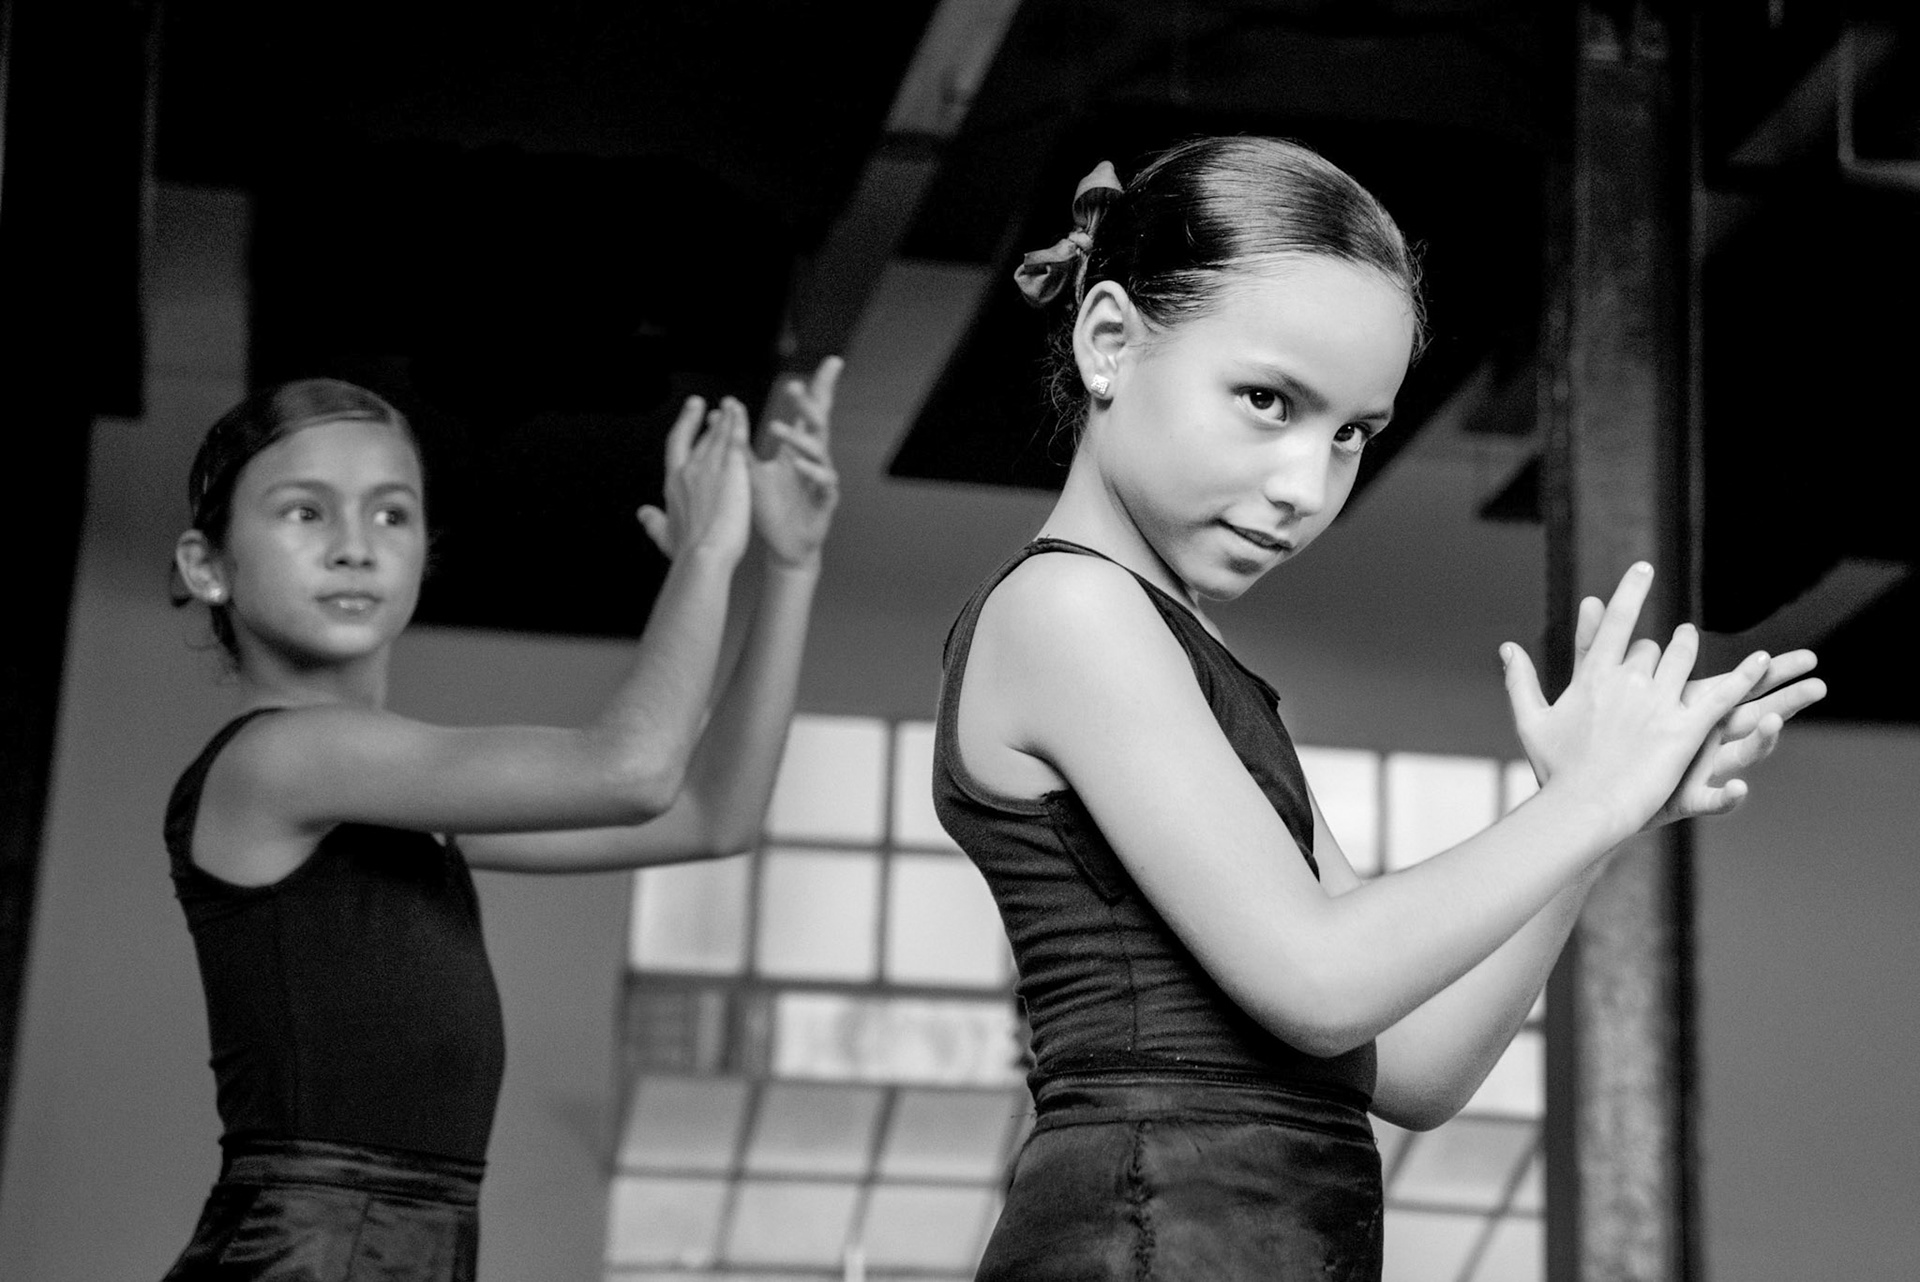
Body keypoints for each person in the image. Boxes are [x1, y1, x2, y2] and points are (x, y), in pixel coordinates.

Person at [931, 137, 1826, 1280]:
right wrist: (1589, 801)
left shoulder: (1175, 644)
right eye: (1268, 399)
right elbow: (1322, 979)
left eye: (1351, 432)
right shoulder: (1069, 609)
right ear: (1109, 340)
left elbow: (1409, 1065)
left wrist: (1595, 820)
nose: (1308, 486)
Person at [159, 361, 840, 1280]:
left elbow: (715, 815)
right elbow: (631, 771)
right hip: (307, 1248)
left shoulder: (409, 809)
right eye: (305, 512)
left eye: (391, 513)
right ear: (207, 566)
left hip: (415, 1244)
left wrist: (792, 565)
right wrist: (708, 558)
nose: (355, 546)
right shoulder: (277, 760)